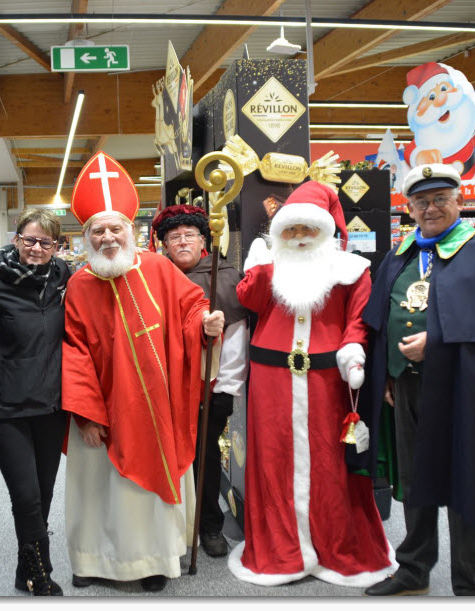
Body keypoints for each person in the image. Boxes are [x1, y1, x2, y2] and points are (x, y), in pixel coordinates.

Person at [357, 164, 475, 596]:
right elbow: (380, 318)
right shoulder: (401, 254)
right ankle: (413, 569)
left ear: (459, 202)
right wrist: (384, 373)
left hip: (464, 388)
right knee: (413, 478)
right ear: (409, 209)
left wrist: (439, 341)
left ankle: (467, 580)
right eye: (421, 202)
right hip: (404, 386)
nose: (430, 208)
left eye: (440, 199)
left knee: (466, 476)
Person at [61, 151, 225, 592]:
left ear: (131, 231)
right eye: (98, 230)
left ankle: (153, 561)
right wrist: (86, 415)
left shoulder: (158, 267)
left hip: (157, 404)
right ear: (86, 236)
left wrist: (206, 323)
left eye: (115, 228)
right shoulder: (79, 284)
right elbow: (74, 352)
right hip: (101, 408)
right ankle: (92, 559)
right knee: (96, 490)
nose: (108, 237)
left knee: (145, 493)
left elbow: (191, 308)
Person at [228, 181, 395, 587]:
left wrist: (352, 350)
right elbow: (250, 302)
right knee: (273, 459)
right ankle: (282, 546)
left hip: (327, 381)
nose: (299, 237)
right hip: (271, 380)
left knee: (329, 460)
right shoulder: (271, 264)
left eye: (308, 229)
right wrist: (260, 267)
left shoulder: (351, 269)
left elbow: (359, 318)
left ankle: (331, 543)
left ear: (324, 231)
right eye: (291, 229)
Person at [0, 209, 71, 596]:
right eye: (29, 240)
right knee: (26, 496)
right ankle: (40, 572)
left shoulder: (62, 276)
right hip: (6, 410)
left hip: (50, 407)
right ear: (15, 240)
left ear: (56, 246)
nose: (36, 248)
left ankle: (23, 572)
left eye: (46, 242)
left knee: (43, 494)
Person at [150, 204, 249, 558]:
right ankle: (171, 526)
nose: (182, 242)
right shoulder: (154, 279)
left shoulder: (225, 276)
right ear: (164, 244)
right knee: (166, 459)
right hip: (165, 389)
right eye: (174, 237)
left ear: (203, 241)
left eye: (189, 235)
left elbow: (235, 339)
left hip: (209, 388)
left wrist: (225, 389)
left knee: (204, 458)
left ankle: (208, 525)